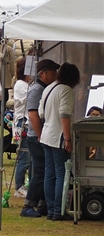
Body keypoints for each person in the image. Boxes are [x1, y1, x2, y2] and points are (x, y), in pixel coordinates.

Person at [39, 62, 80, 221]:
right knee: (61, 174)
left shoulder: (49, 87)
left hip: (46, 135)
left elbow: (41, 113)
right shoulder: (66, 90)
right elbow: (65, 115)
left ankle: (51, 210)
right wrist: (68, 138)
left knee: (49, 174)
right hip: (58, 137)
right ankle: (58, 211)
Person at [19, 59, 60, 218]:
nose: (55, 75)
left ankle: (43, 203)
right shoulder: (37, 89)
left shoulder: (46, 88)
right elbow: (33, 114)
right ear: (43, 74)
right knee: (41, 170)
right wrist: (41, 135)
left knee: (45, 170)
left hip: (41, 135)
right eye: (52, 71)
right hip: (37, 136)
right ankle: (29, 204)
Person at [12, 58, 32, 199]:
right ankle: (19, 187)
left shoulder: (25, 84)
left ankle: (24, 185)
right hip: (22, 123)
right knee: (24, 157)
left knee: (28, 158)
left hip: (25, 122)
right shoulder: (21, 85)